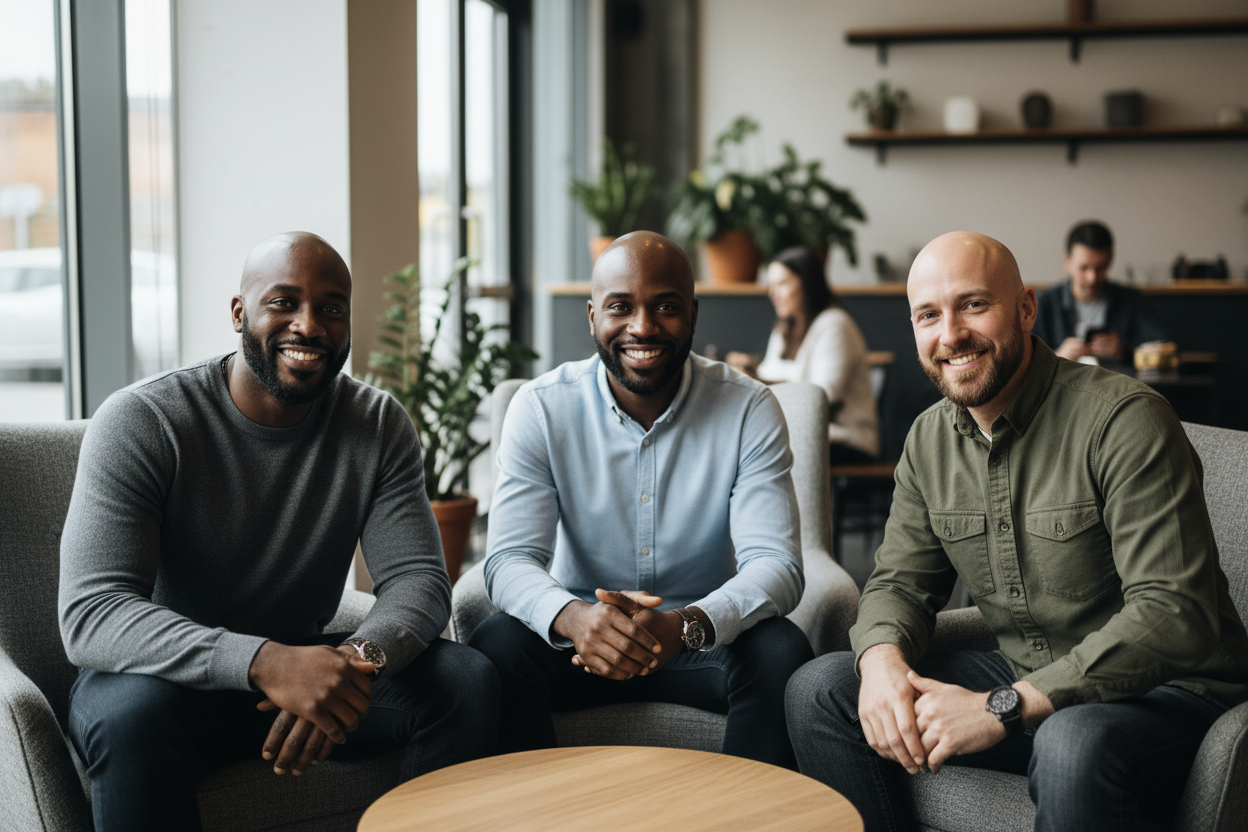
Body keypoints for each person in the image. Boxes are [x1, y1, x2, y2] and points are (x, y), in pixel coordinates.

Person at [785, 231, 1248, 831]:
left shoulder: (1125, 420)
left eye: (974, 304)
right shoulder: (929, 441)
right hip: (1028, 680)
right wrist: (880, 662)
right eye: (929, 315)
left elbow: (1173, 613)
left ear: (1026, 308)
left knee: (1071, 741)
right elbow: (899, 582)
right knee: (819, 691)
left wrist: (1002, 708)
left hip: (1171, 694)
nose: (951, 335)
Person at [59, 232, 499, 831]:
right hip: (164, 677)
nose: (309, 325)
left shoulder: (376, 424)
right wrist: (265, 663)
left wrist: (351, 662)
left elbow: (418, 580)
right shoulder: (143, 420)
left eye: (332, 308)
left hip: (309, 660)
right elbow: (93, 612)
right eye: (283, 302)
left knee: (466, 681)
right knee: (128, 716)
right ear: (240, 313)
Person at [468, 230, 814, 769]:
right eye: (620, 307)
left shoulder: (750, 408)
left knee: (780, 651)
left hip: (699, 641)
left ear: (693, 315)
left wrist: (685, 626)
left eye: (666, 307)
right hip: (577, 645)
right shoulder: (540, 408)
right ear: (591, 317)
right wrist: (575, 618)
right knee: (496, 646)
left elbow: (777, 564)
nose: (643, 327)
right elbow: (509, 559)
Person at [725, 246, 879, 465]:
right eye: (771, 285)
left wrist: (760, 381)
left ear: (808, 284)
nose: (772, 293)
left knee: (757, 446)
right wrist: (750, 370)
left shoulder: (835, 324)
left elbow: (822, 396)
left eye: (782, 284)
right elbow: (770, 375)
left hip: (847, 439)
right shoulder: (784, 329)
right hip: (802, 432)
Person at [1033, 220, 1167, 362]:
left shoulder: (1131, 300)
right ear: (1067, 262)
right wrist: (1057, 357)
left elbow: (1164, 343)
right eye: (1084, 268)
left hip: (1117, 383)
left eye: (1100, 268)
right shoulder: (1044, 303)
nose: (1092, 278)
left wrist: (1124, 350)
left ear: (1110, 261)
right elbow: (1022, 358)